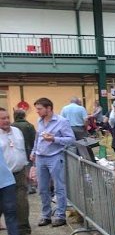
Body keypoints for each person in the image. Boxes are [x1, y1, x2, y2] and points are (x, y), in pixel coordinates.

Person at [30, 97, 75, 227]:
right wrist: (34, 151)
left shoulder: (62, 121)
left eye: (39, 109)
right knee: (42, 188)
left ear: (48, 108)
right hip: (40, 157)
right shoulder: (40, 120)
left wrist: (54, 139)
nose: (37, 112)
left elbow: (71, 139)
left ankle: (60, 216)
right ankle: (46, 215)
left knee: (59, 187)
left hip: (55, 156)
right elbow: (37, 138)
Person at [0, 108, 35, 235]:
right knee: (5, 207)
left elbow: (23, 151)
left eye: (7, 117)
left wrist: (27, 169)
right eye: (3, 118)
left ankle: (23, 233)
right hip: (3, 177)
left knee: (22, 204)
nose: (7, 120)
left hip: (19, 173)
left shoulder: (17, 131)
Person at [13, 109, 37, 195]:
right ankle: (30, 187)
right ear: (24, 115)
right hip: (28, 150)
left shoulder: (12, 126)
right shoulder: (29, 126)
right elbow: (34, 139)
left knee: (20, 170)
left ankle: (21, 187)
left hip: (15, 152)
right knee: (29, 169)